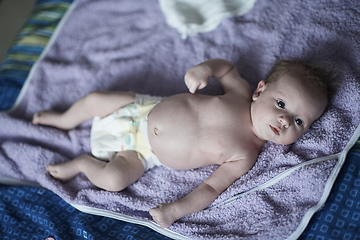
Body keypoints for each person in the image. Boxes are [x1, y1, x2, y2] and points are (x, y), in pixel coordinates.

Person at [32, 58, 334, 228]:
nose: (285, 120)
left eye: (299, 122)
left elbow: (211, 188)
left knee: (112, 180)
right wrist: (203, 70)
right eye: (281, 104)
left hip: (140, 152)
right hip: (140, 109)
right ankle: (64, 120)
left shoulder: (246, 154)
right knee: (96, 100)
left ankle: (83, 163)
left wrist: (176, 210)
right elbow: (226, 70)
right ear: (260, 90)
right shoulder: (240, 93)